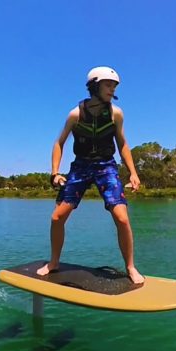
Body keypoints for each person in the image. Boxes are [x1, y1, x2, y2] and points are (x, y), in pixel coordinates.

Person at [37, 66, 144, 284]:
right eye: (107, 84)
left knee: (122, 218)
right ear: (94, 86)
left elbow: (122, 144)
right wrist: (55, 173)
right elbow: (59, 143)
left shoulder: (116, 114)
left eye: (114, 86)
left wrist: (133, 173)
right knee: (57, 217)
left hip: (106, 166)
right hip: (81, 167)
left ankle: (131, 267)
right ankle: (54, 262)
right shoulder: (76, 114)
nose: (112, 89)